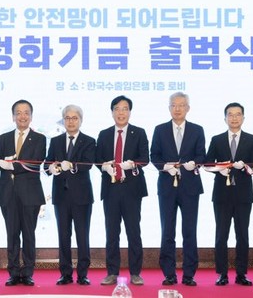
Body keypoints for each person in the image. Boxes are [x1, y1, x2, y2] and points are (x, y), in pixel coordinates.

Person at [150, 92, 205, 287]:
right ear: (169, 108)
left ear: (188, 108)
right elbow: (154, 155)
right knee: (167, 231)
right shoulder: (160, 129)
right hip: (167, 186)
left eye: (182, 105)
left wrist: (194, 163)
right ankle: (169, 274)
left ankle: (189, 274)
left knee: (189, 231)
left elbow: (202, 155)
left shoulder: (197, 130)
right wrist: (164, 166)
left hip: (190, 187)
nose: (178, 108)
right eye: (174, 105)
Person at [96, 95, 149, 287]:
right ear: (112, 112)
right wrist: (104, 166)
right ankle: (112, 272)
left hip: (132, 190)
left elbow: (145, 158)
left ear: (130, 112)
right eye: (117, 109)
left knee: (133, 232)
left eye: (125, 108)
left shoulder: (139, 132)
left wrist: (132, 164)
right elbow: (97, 160)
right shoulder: (104, 134)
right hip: (110, 189)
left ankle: (135, 273)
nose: (121, 112)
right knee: (111, 233)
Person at [205, 102, 253, 287]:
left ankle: (241, 274)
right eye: (230, 114)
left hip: (244, 195)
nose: (234, 118)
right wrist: (219, 168)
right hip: (221, 194)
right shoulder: (217, 139)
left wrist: (245, 166)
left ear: (243, 117)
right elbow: (207, 164)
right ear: (225, 118)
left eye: (238, 114)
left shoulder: (252, 139)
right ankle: (222, 274)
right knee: (221, 235)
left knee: (242, 235)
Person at [0, 99, 46, 286]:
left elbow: (36, 162)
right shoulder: (4, 138)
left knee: (29, 235)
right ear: (13, 116)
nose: (22, 116)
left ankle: (28, 272)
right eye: (18, 113)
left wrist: (12, 165)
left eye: (26, 113)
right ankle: (14, 272)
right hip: (8, 194)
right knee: (12, 234)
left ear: (31, 116)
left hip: (30, 194)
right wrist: (0, 163)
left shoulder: (40, 138)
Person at [44, 104, 96, 286]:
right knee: (63, 236)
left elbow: (88, 163)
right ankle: (65, 273)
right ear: (63, 120)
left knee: (82, 236)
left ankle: (83, 274)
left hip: (82, 197)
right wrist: (50, 168)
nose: (71, 121)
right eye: (67, 118)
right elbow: (47, 164)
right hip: (61, 196)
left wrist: (72, 166)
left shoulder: (89, 141)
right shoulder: (56, 141)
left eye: (75, 118)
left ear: (81, 120)